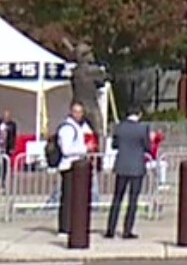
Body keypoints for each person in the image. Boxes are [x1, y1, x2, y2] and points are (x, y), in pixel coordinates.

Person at [105, 108, 153, 239]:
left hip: (121, 165)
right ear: (139, 114)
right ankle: (127, 230)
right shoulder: (143, 128)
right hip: (136, 166)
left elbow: (115, 145)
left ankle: (110, 228)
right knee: (133, 200)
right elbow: (148, 147)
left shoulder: (120, 127)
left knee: (117, 198)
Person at [53, 102, 94, 236]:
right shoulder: (67, 128)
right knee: (68, 198)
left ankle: (72, 225)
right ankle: (64, 227)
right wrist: (85, 148)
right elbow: (66, 150)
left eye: (80, 112)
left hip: (77, 166)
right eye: (76, 111)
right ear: (71, 112)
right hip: (69, 166)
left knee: (75, 198)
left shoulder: (78, 127)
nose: (78, 114)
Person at [0, 109, 17, 187]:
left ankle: (3, 180)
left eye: (8, 117)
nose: (7, 118)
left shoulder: (12, 125)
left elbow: (13, 137)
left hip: (6, 147)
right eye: (6, 116)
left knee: (5, 164)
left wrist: (12, 147)